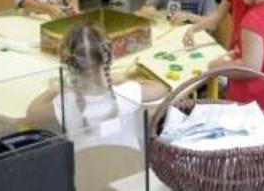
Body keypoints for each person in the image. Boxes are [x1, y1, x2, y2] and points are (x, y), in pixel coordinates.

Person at [26, 22, 166, 150]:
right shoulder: (126, 92)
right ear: (109, 56)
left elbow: (31, 115)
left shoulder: (65, 103)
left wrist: (60, 87)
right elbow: (161, 88)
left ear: (68, 61)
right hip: (132, 172)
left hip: (86, 176)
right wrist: (118, 78)